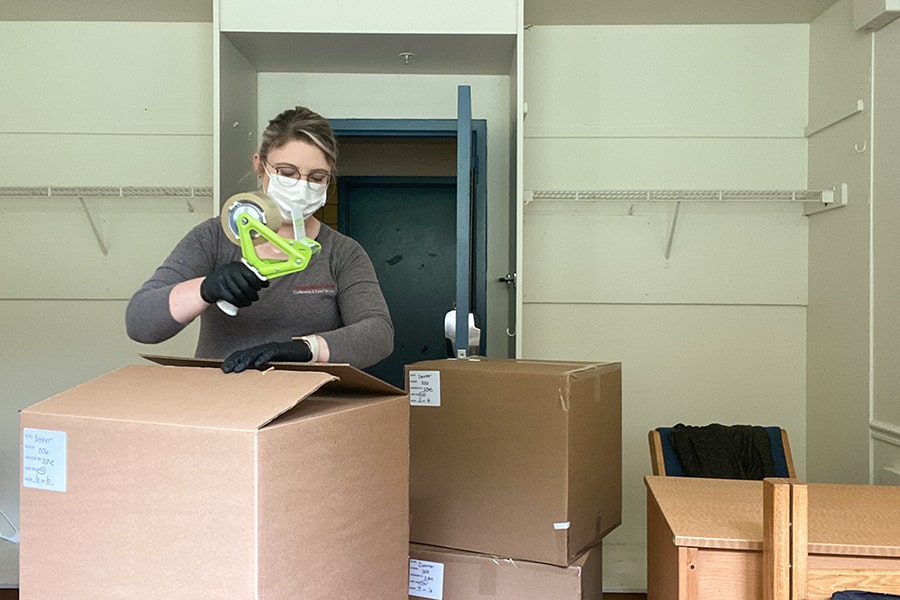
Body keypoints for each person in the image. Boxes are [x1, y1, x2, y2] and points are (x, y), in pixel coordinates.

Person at [126, 106, 394, 373]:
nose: (301, 188)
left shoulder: (342, 252)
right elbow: (140, 323)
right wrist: (206, 288)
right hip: (222, 402)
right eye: (287, 173)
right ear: (259, 165)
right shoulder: (212, 238)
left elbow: (378, 333)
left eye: (316, 178)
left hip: (307, 404)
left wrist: (305, 350)